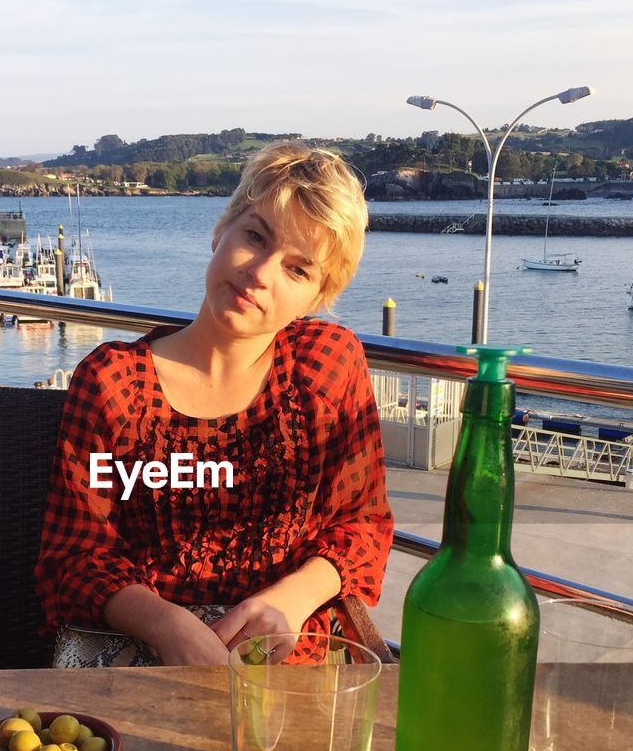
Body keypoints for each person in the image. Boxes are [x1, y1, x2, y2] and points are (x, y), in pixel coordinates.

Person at [36, 141, 393, 668]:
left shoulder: (326, 367)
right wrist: (166, 624)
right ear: (219, 232)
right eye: (255, 236)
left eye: (298, 270)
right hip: (139, 655)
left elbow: (362, 527)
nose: (262, 273)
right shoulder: (112, 383)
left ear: (318, 298)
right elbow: (75, 557)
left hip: (283, 656)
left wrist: (288, 601)